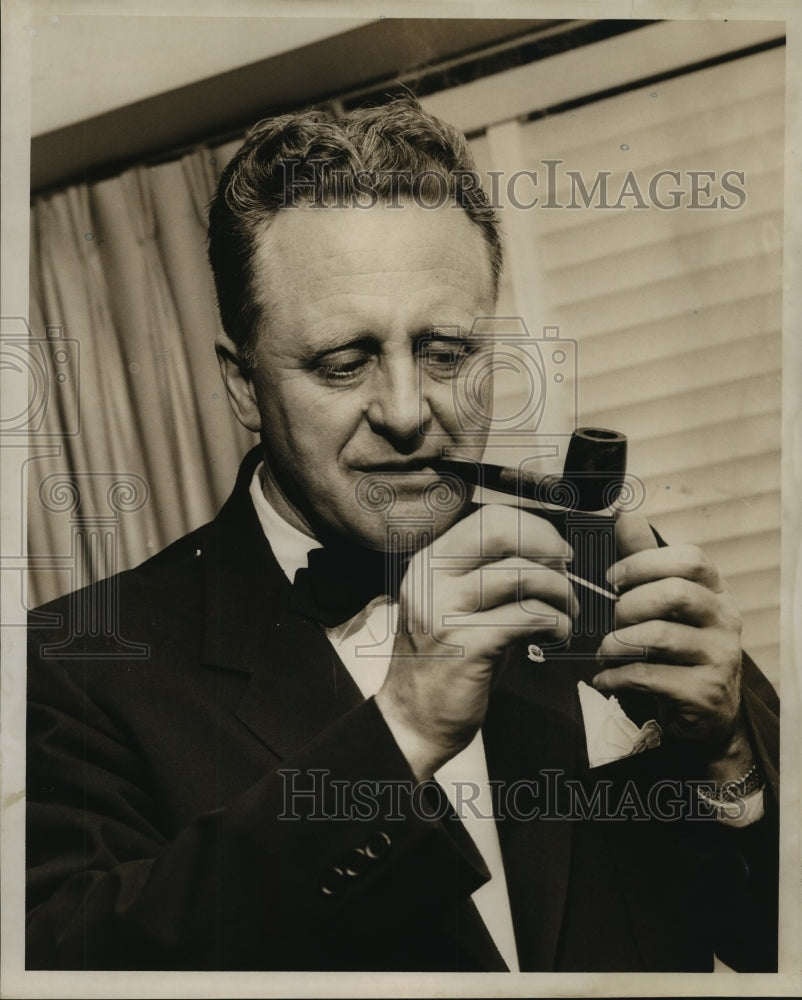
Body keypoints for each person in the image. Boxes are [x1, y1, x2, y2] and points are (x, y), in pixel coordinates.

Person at [26, 96, 778, 972]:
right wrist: (403, 731)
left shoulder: (605, 570)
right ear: (242, 388)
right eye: (344, 363)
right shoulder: (80, 665)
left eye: (447, 352)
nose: (407, 412)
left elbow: (766, 942)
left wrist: (730, 761)